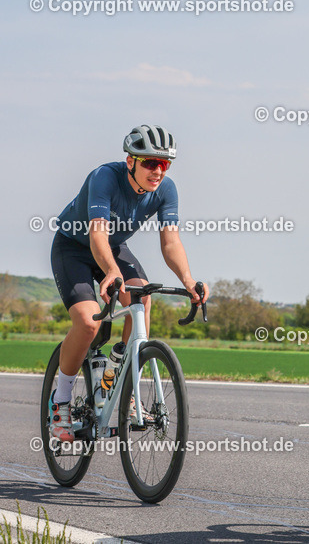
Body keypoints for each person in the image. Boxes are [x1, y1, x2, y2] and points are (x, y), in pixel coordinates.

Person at [49, 125, 207, 442]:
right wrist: (110, 271)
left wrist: (189, 280)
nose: (158, 170)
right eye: (150, 162)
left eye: (165, 164)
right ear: (130, 161)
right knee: (88, 323)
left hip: (115, 247)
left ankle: (119, 374)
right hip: (75, 248)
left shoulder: (166, 190)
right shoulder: (104, 177)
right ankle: (61, 401)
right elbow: (97, 235)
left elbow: (171, 243)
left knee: (141, 299)